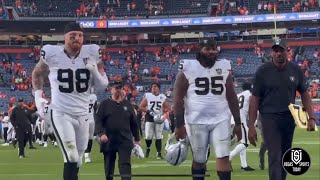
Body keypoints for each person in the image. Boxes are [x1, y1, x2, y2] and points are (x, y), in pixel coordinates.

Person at [31, 22, 109, 180]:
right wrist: (38, 97)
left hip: (83, 114)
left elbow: (103, 85)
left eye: (80, 35)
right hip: (61, 112)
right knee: (71, 155)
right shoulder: (52, 53)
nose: (76, 39)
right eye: (72, 36)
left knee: (77, 158)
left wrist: (93, 69)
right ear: (64, 38)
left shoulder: (93, 52)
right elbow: (37, 73)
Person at [173, 38, 242, 180]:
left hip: (221, 119)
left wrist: (238, 123)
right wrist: (179, 125)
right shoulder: (188, 67)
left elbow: (232, 96)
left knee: (223, 156)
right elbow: (178, 99)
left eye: (214, 49)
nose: (211, 52)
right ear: (200, 50)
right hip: (196, 120)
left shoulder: (224, 67)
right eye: (207, 49)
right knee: (199, 160)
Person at [248, 39, 316, 180]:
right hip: (269, 118)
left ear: (287, 51)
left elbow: (304, 94)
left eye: (281, 50)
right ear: (272, 52)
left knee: (286, 156)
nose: (278, 53)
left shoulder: (295, 70)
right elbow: (255, 99)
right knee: (275, 154)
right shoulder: (263, 71)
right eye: (276, 50)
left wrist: (311, 117)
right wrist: (251, 125)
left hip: (288, 117)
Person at [95, 81, 140, 180]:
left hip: (125, 139)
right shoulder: (104, 104)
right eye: (116, 88)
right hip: (109, 139)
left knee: (125, 164)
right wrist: (101, 133)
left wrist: (137, 139)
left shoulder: (128, 105)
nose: (118, 90)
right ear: (111, 89)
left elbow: (134, 123)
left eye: (120, 88)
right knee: (109, 165)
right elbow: (98, 121)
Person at [138, 82, 171, 159]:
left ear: (158, 88)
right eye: (153, 86)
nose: (153, 88)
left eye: (155, 86)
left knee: (158, 136)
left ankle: (158, 153)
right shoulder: (148, 96)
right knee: (148, 136)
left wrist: (163, 113)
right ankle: (148, 148)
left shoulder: (162, 97)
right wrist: (149, 111)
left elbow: (167, 108)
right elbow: (141, 106)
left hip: (159, 118)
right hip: (149, 117)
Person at [229, 82, 255, 171]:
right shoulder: (250, 94)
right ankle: (229, 156)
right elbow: (252, 107)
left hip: (234, 119)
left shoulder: (239, 94)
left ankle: (244, 165)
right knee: (246, 143)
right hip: (241, 120)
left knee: (242, 142)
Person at [84, 89, 98, 163]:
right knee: (88, 138)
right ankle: (86, 155)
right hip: (89, 119)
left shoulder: (80, 95)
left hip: (85, 119)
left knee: (89, 138)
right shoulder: (93, 96)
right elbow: (95, 109)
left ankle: (86, 155)